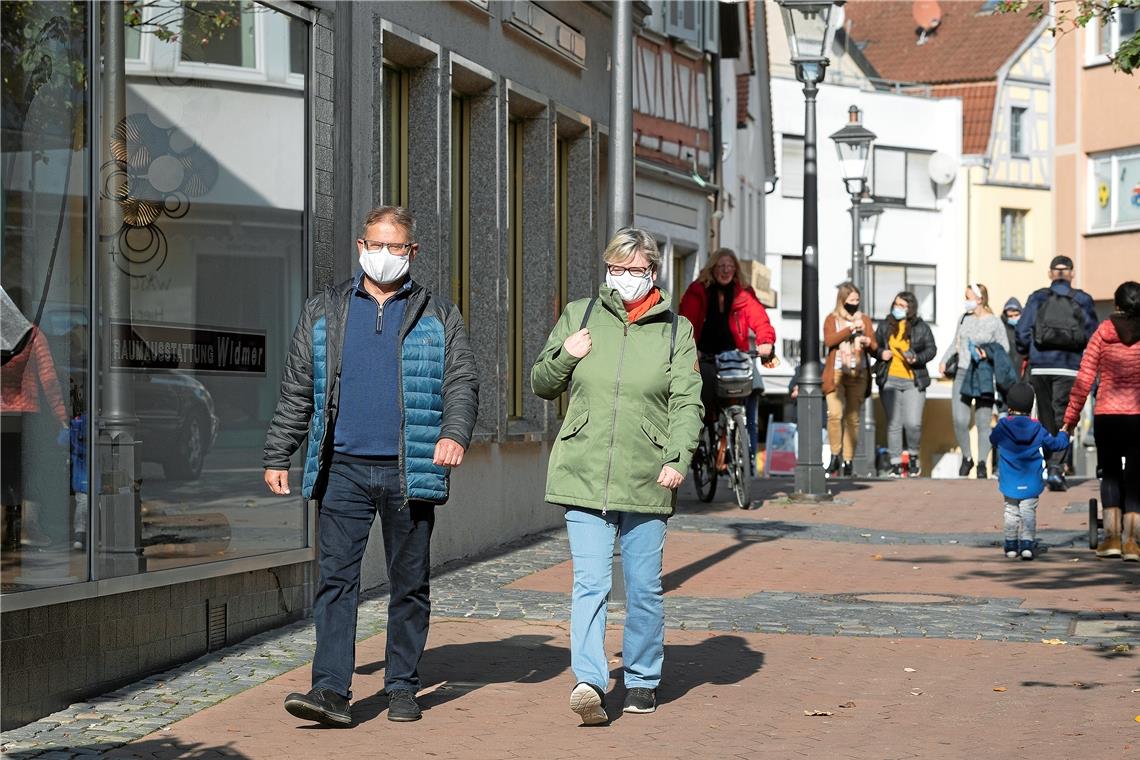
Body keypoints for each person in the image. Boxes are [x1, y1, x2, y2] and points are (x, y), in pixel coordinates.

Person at [264, 206, 479, 726]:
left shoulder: (438, 315)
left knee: (409, 583)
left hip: (410, 472)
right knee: (336, 581)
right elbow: (299, 387)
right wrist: (278, 451)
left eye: (396, 247)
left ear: (412, 252)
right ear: (360, 248)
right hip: (343, 468)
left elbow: (461, 382)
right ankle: (331, 691)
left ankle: (402, 686)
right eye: (376, 245)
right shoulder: (325, 311)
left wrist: (453, 433)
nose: (385, 256)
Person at [532, 227, 702, 725]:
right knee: (590, 583)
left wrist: (677, 458)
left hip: (648, 475)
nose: (624, 278)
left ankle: (643, 678)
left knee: (644, 587)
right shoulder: (580, 315)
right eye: (616, 269)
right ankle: (589, 680)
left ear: (653, 273)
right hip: (584, 470)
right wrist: (568, 352)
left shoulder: (676, 330)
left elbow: (688, 402)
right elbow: (543, 382)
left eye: (634, 270)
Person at [1062, 281, 1140, 561]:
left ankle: (1111, 538)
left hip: (1108, 414)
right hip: (1138, 416)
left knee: (1109, 472)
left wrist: (1070, 417)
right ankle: (1133, 542)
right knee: (1135, 475)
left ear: (1117, 306)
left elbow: (1084, 379)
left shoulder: (1102, 334)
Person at [678, 248, 775, 463]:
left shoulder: (743, 292)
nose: (725, 271)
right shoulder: (698, 290)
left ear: (736, 270)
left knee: (743, 390)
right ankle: (700, 441)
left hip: (734, 355)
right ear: (713, 268)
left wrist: (765, 340)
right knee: (705, 393)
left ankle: (736, 438)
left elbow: (759, 317)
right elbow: (688, 322)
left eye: (730, 267)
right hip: (705, 353)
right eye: (721, 266)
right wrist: (691, 348)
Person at [1015, 255, 1098, 491]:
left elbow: (1022, 332)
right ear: (1071, 273)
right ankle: (1055, 468)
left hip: (1040, 366)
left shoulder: (1038, 297)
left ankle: (1051, 466)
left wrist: (1028, 351)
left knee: (1046, 418)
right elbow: (1093, 336)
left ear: (1051, 273)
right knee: (1065, 419)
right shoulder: (1083, 300)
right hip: (1069, 367)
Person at [989, 383, 1070, 561]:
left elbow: (993, 440)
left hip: (1009, 481)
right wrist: (1065, 434)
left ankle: (1011, 545)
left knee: (1011, 512)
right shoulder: (1037, 428)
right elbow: (1056, 445)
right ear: (1031, 406)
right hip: (1032, 481)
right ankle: (1026, 544)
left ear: (1009, 406)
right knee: (1028, 513)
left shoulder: (1003, 427)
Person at [940, 284, 1009, 479]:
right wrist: (944, 360)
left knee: (983, 423)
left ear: (980, 299)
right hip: (962, 372)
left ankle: (981, 463)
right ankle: (967, 457)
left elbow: (1004, 348)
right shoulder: (964, 319)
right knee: (959, 420)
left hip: (984, 374)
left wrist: (987, 352)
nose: (966, 300)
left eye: (968, 296)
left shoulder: (995, 322)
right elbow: (956, 343)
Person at [873, 291, 937, 478]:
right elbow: (874, 347)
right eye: (896, 304)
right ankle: (895, 464)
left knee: (913, 423)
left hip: (913, 380)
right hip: (890, 379)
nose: (898, 308)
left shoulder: (921, 326)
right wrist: (880, 353)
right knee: (894, 423)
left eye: (902, 306)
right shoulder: (885, 325)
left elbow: (931, 349)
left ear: (910, 308)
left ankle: (914, 455)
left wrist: (917, 358)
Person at [822, 282, 878, 478]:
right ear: (842, 300)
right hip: (836, 373)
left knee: (853, 418)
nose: (855, 304)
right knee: (835, 414)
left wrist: (868, 341)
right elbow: (829, 341)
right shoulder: (832, 319)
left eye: (857, 300)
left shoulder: (865, 320)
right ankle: (835, 455)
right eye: (851, 300)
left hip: (858, 372)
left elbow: (874, 345)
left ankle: (848, 460)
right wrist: (850, 330)